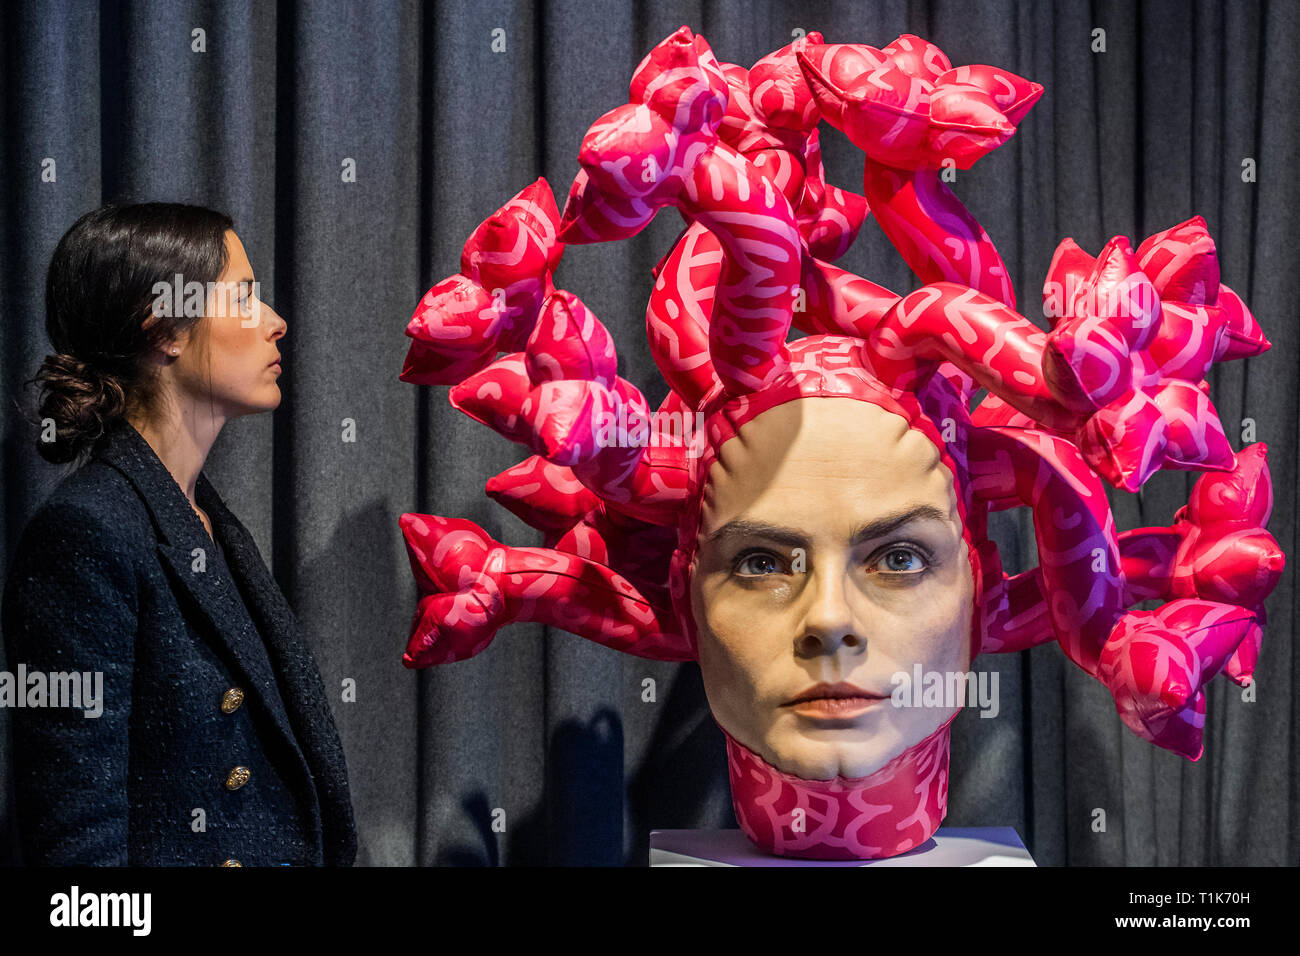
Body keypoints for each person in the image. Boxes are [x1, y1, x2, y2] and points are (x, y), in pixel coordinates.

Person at [3, 202, 356, 866]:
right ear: (166, 328)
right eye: (244, 297)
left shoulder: (208, 523)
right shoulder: (87, 535)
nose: (276, 322)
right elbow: (78, 858)